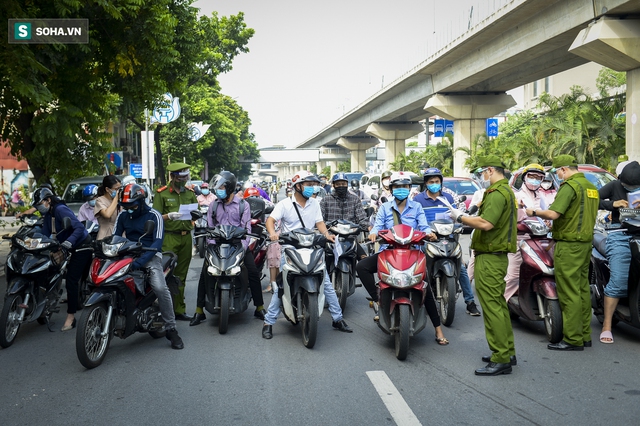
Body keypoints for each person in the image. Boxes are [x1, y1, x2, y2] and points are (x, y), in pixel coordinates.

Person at [356, 172, 449, 345]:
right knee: (362, 266)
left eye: (405, 187)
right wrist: (374, 234)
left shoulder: (416, 207)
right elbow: (377, 225)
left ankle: (438, 329)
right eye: (397, 187)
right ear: (391, 189)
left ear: (409, 189)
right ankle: (378, 300)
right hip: (388, 251)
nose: (401, 190)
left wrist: (429, 234)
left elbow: (423, 225)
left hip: (413, 252)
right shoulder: (384, 207)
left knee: (424, 286)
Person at [262, 171, 353, 339]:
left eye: (314, 185)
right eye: (309, 185)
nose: (313, 188)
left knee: (325, 283)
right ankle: (268, 322)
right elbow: (270, 220)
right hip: (290, 249)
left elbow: (319, 223)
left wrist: (327, 235)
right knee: (282, 286)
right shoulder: (284, 204)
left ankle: (337, 318)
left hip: (312, 248)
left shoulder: (315, 204)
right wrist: (273, 234)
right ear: (298, 186)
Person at [450, 155, 517, 376]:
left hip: (491, 256)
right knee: (498, 304)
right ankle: (506, 351)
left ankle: (501, 358)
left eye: (483, 173)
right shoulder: (504, 191)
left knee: (492, 307)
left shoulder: (498, 193)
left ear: (490, 170)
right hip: (494, 255)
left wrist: (460, 217)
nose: (482, 177)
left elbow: (486, 223)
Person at [525, 154, 598, 351]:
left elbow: (553, 214)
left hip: (569, 246)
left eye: (557, 171)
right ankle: (584, 335)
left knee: (568, 292)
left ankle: (573, 339)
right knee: (582, 290)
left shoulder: (570, 186)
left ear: (564, 169)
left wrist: (533, 212)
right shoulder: (591, 187)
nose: (557, 175)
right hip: (585, 245)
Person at [190, 172, 266, 325]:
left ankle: (259, 307)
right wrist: (211, 246)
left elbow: (247, 229)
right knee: (205, 273)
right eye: (217, 187)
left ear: (230, 187)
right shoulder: (213, 205)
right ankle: (199, 311)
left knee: (252, 271)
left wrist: (244, 248)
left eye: (222, 187)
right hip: (217, 244)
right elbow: (210, 229)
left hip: (238, 244)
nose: (218, 190)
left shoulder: (243, 205)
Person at [114, 183, 183, 349]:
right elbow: (115, 237)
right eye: (125, 206)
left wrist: (140, 262)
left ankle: (171, 328)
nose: (129, 209)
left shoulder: (154, 216)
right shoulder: (123, 216)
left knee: (160, 288)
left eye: (132, 206)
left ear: (142, 201)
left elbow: (157, 243)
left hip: (150, 254)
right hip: (129, 254)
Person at [413, 167, 481, 316]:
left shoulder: (448, 198)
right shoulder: (418, 199)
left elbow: (456, 216)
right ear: (426, 183)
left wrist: (459, 224)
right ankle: (418, 298)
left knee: (461, 268)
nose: (434, 184)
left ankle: (470, 302)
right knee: (418, 266)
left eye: (437, 181)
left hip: (447, 238)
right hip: (427, 240)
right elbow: (415, 220)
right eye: (431, 182)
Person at [32, 187, 93, 331]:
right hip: (64, 246)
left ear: (48, 200)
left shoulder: (60, 210)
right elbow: (45, 234)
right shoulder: (48, 215)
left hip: (81, 245)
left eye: (40, 203)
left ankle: (71, 317)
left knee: (71, 280)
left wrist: (69, 242)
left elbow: (78, 228)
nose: (39, 207)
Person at [594, 161, 640, 344]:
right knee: (619, 280)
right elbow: (593, 199)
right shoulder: (613, 186)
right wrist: (613, 204)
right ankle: (607, 325)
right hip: (618, 234)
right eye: (627, 186)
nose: (631, 189)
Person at [153, 162, 198, 321]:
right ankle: (163, 310)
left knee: (181, 275)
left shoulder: (190, 193)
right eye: (181, 177)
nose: (184, 180)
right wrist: (168, 216)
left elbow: (195, 212)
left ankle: (179, 310)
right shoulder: (162, 193)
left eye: (186, 177)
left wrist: (196, 216)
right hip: (169, 237)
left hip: (186, 237)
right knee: (165, 275)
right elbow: (155, 217)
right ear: (173, 177)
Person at [504, 164, 552, 301]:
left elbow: (547, 214)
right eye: (532, 177)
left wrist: (548, 222)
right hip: (520, 239)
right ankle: (502, 304)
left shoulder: (541, 197)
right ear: (525, 178)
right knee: (513, 275)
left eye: (539, 178)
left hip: (540, 240)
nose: (535, 180)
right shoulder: (516, 196)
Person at [320, 172, 371, 260]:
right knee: (321, 261)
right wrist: (326, 232)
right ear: (333, 185)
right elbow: (320, 220)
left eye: (343, 184)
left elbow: (361, 217)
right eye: (338, 184)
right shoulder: (325, 200)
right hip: (331, 238)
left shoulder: (355, 199)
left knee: (364, 260)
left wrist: (369, 227)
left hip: (350, 238)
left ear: (347, 184)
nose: (341, 186)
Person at [94, 175, 122, 240]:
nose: (118, 191)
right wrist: (116, 199)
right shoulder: (100, 200)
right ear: (107, 189)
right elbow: (107, 214)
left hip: (119, 235)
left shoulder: (120, 200)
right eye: (116, 189)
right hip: (106, 235)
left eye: (120, 188)